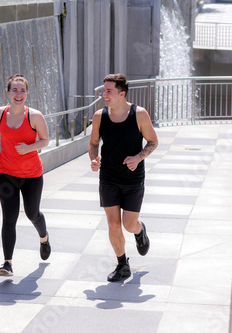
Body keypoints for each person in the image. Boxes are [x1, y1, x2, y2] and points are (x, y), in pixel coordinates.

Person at [89, 73, 158, 282]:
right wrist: (93, 159)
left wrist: (138, 157)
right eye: (104, 90)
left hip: (133, 179)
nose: (104, 94)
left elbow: (153, 142)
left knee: (128, 224)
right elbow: (93, 143)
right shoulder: (100, 116)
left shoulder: (139, 114)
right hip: (108, 176)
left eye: (109, 91)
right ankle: (122, 264)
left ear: (122, 94)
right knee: (113, 225)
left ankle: (139, 230)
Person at [0, 74, 51, 277]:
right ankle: (7, 263)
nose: (18, 94)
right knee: (9, 217)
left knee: (32, 213)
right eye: (14, 90)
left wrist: (29, 147)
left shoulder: (34, 116)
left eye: (22, 90)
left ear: (27, 93)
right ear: (8, 93)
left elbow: (45, 140)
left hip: (32, 174)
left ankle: (44, 237)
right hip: (6, 173)